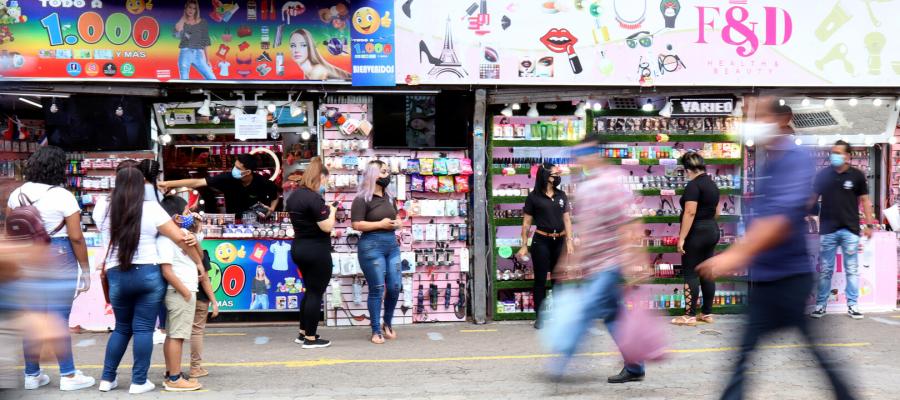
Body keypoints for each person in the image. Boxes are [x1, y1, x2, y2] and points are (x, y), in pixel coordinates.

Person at [698, 102, 857, 400]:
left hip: (789, 279)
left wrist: (735, 255)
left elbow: (780, 221)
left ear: (783, 119)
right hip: (767, 279)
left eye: (758, 117)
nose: (752, 123)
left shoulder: (796, 159)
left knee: (813, 354)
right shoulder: (769, 162)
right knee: (744, 355)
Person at [546, 136, 649, 383]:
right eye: (576, 153)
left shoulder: (612, 182)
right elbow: (584, 229)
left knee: (585, 310)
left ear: (596, 153)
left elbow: (629, 223)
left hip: (609, 263)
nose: (578, 158)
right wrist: (568, 261)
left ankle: (562, 360)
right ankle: (635, 367)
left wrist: (638, 261)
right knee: (613, 316)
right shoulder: (585, 186)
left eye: (582, 153)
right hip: (593, 264)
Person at [95, 167, 203, 394]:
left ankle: (107, 379)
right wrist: (197, 259)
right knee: (143, 328)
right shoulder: (152, 209)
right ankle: (138, 381)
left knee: (121, 328)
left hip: (116, 273)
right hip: (148, 273)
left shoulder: (103, 208)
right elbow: (179, 237)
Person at [5, 146, 95, 391]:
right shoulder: (63, 196)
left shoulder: (17, 194)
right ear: (59, 168)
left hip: (26, 258)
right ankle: (68, 375)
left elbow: (11, 231)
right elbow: (76, 237)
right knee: (58, 318)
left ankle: (31, 375)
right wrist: (85, 270)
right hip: (59, 256)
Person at [809, 140, 876, 320]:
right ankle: (821, 305)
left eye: (838, 153)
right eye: (833, 152)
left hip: (850, 230)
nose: (834, 156)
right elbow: (812, 198)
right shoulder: (823, 175)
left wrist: (869, 225)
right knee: (825, 270)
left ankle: (853, 305)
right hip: (827, 231)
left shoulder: (857, 176)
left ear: (847, 156)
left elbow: (865, 201)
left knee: (852, 269)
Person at [158, 195, 218, 392]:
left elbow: (199, 256)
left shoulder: (180, 233)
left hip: (181, 290)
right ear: (175, 217)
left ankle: (171, 373)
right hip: (180, 290)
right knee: (177, 336)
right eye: (186, 213)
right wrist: (186, 293)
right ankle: (174, 378)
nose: (190, 216)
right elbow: (167, 270)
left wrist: (194, 235)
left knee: (174, 335)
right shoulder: (168, 237)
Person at [285, 157, 336, 349]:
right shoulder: (314, 198)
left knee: (309, 291)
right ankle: (311, 339)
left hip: (299, 247)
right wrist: (332, 211)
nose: (325, 183)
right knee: (315, 292)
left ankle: (303, 332)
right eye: (325, 179)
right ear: (320, 177)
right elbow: (326, 227)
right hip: (316, 250)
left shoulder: (294, 196)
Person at [515, 163, 573, 328]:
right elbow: (526, 223)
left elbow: (567, 220)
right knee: (540, 280)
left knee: (558, 281)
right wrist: (524, 245)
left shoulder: (562, 195)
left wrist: (569, 241)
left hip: (560, 241)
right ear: (545, 176)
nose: (557, 176)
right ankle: (540, 317)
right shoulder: (533, 197)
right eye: (554, 174)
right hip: (541, 241)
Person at [352, 160, 403, 344]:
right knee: (377, 288)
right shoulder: (362, 199)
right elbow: (356, 224)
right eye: (383, 172)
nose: (387, 175)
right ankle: (375, 329)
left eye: (388, 171)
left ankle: (387, 323)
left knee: (395, 286)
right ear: (373, 174)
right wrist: (379, 224)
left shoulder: (390, 197)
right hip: (371, 247)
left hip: (391, 245)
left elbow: (397, 218)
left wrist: (398, 223)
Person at [672, 152, 720, 326]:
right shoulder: (712, 184)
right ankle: (706, 313)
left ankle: (689, 316)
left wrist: (682, 238)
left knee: (691, 273)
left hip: (696, 233)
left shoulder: (693, 186)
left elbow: (690, 212)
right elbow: (717, 212)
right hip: (712, 230)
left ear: (687, 169)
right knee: (707, 272)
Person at [158, 154, 279, 219]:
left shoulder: (262, 182)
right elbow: (196, 182)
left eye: (238, 168)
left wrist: (272, 208)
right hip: (232, 221)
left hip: (256, 221)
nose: (234, 169)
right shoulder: (227, 179)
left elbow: (275, 196)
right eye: (234, 166)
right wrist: (167, 184)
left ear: (248, 172)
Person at [174, 0, 216, 80]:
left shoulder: (202, 22)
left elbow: (206, 41)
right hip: (185, 53)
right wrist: (184, 17)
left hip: (198, 54)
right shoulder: (183, 21)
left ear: (196, 10)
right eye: (190, 7)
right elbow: (177, 30)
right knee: (184, 81)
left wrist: (207, 60)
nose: (191, 10)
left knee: (212, 79)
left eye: (194, 8)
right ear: (186, 8)